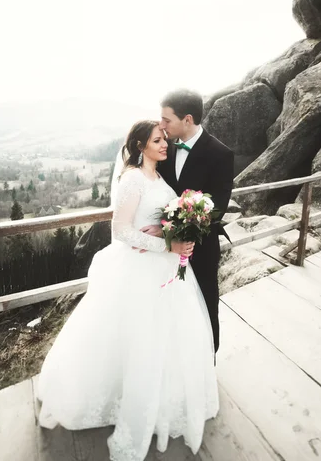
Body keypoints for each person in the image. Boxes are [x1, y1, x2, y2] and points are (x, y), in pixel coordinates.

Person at [37, 120, 219, 461]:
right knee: (138, 337)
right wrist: (169, 244)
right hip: (141, 270)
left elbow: (159, 216)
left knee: (164, 338)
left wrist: (175, 228)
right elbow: (120, 230)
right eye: (157, 140)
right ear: (140, 146)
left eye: (165, 138)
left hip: (166, 269)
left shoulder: (158, 177)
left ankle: (162, 400)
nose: (165, 144)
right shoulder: (133, 178)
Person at [143, 90, 234, 353]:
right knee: (170, 307)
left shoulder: (220, 153)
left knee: (205, 304)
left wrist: (173, 229)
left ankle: (207, 360)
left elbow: (217, 206)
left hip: (201, 248)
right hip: (165, 253)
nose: (161, 125)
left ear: (187, 119)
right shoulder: (163, 148)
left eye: (166, 119)